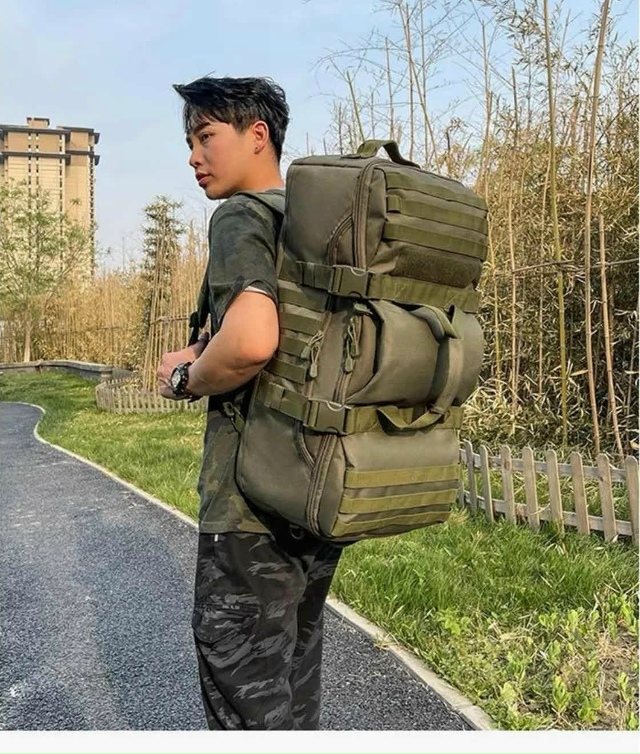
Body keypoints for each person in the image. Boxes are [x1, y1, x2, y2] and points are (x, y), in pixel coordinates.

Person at [156, 76, 344, 731]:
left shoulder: (241, 216)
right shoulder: (312, 226)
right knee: (290, 684)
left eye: (205, 136)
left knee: (243, 698)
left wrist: (187, 378)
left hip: (249, 510)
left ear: (256, 135)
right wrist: (207, 348)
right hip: (315, 494)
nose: (193, 156)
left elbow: (254, 341)